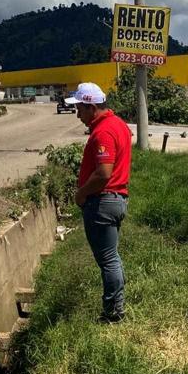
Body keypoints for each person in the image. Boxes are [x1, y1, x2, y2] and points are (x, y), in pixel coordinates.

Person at [68, 83, 131, 323]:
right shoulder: (119, 124)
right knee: (112, 257)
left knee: (108, 260)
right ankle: (117, 306)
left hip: (102, 201)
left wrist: (81, 194)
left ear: (92, 107)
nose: (78, 115)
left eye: (80, 109)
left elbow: (104, 173)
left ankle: (113, 313)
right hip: (116, 199)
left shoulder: (103, 131)